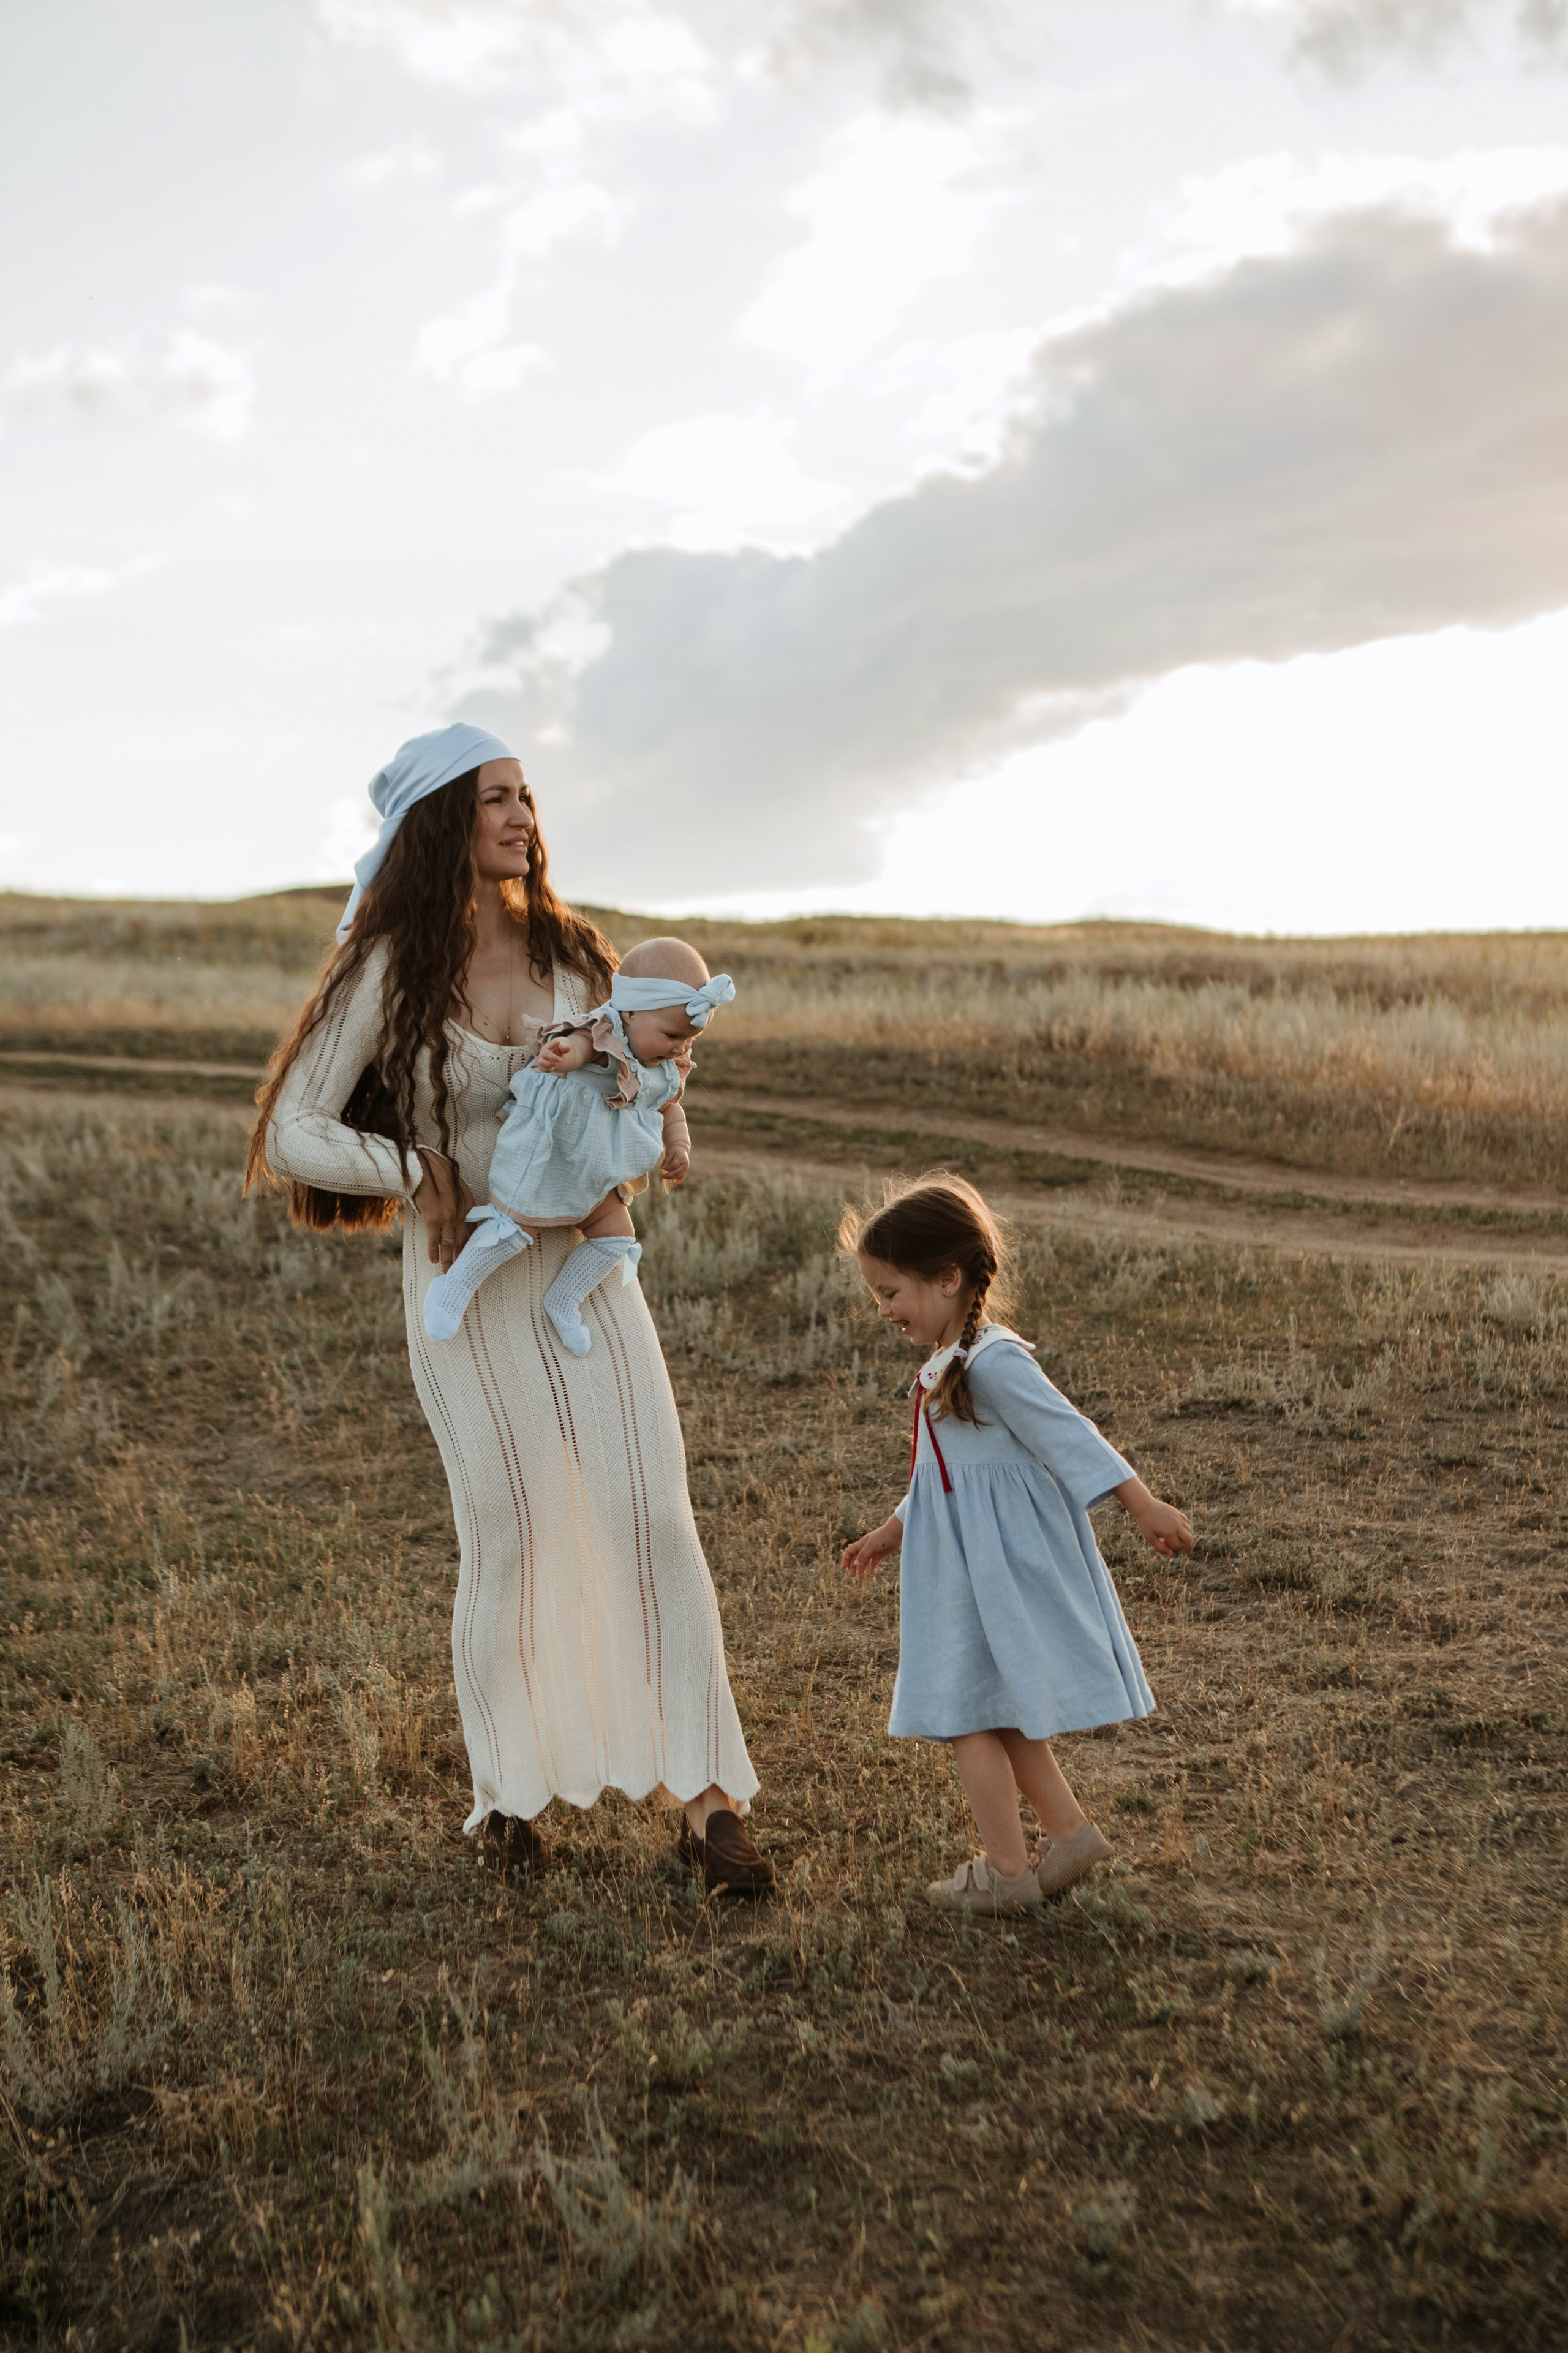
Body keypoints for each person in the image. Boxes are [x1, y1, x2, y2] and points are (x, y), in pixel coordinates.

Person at [246, 722, 773, 1894]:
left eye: (528, 795)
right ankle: (512, 1800)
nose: (522, 815)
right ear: (443, 822)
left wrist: (644, 1130)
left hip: (587, 1278)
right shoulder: (388, 970)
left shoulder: (579, 958)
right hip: (463, 1286)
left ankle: (709, 1803)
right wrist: (417, 1172)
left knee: (652, 1514)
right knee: (514, 1533)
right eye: (495, 798)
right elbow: (292, 1131)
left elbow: (642, 1075)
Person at [840, 1173, 1192, 1918]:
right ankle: (1066, 1835)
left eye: (892, 1291)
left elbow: (1068, 1435)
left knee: (965, 1711)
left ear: (947, 1277)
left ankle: (1005, 1871)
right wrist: (892, 1528)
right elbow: (946, 1473)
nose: (885, 1310)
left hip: (991, 1569)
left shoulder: (995, 1361)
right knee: (994, 1707)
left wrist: (1143, 1503)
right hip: (964, 1566)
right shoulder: (954, 1362)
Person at [421, 936, 735, 1354]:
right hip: (552, 1156)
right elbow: (582, 1046)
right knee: (513, 1226)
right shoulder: (606, 1034)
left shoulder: (665, 1065)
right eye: (672, 1034)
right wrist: (564, 1054)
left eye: (689, 1040)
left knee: (616, 1238)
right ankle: (455, 1286)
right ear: (631, 1011)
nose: (680, 1048)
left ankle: (565, 1298)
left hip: (600, 1174)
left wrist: (680, 1144)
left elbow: (670, 1108)